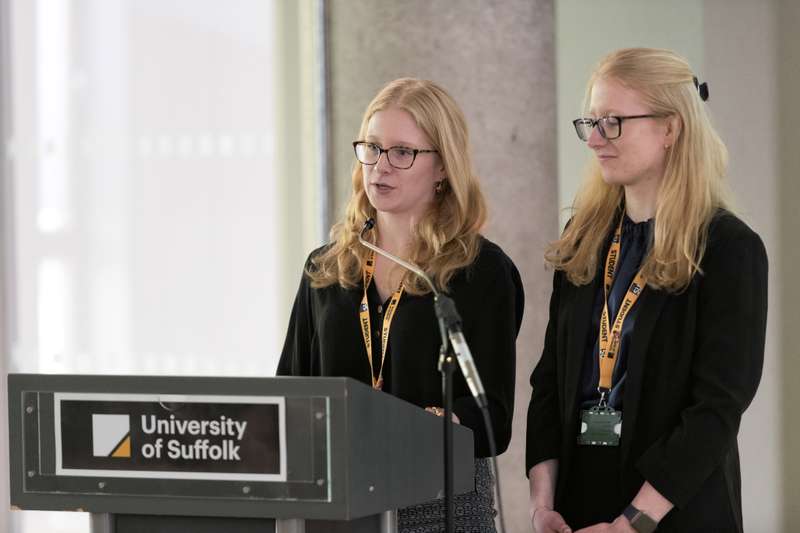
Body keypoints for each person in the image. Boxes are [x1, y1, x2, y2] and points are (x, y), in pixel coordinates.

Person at [526, 48, 767, 533]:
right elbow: (550, 379)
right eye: (590, 121)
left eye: (613, 121)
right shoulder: (583, 239)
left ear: (671, 129)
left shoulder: (728, 249)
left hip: (672, 513)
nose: (594, 139)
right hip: (577, 509)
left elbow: (717, 409)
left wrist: (633, 522)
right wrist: (541, 501)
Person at [277, 77, 524, 532]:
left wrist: (417, 424)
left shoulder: (479, 271)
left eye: (402, 152)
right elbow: (291, 392)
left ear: (443, 166)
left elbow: (492, 419)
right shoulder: (326, 268)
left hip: (437, 509)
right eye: (371, 147)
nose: (380, 166)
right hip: (339, 505)